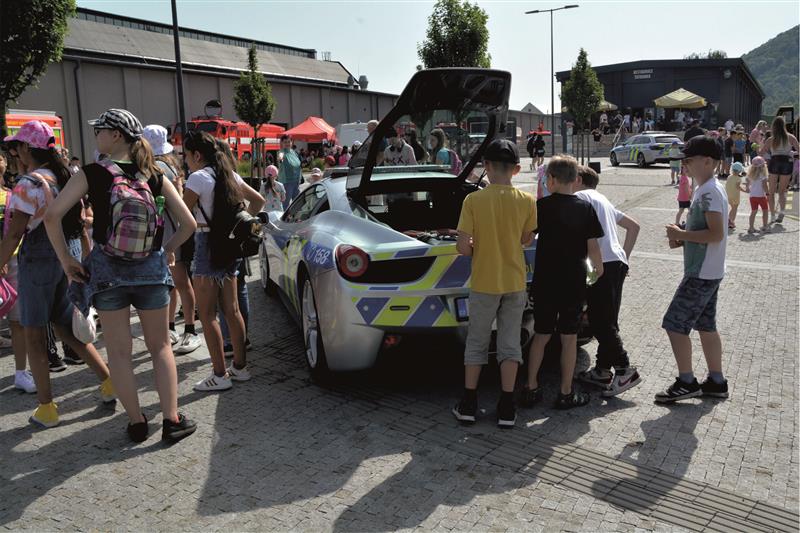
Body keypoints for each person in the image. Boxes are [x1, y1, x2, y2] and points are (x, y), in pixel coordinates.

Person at [44, 110, 197, 442]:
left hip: (108, 273)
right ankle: (171, 420)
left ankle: (136, 422)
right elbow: (189, 225)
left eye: (99, 129)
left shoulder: (92, 173)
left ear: (115, 134)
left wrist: (67, 261)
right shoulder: (155, 175)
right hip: (152, 272)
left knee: (119, 352)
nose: (95, 134)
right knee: (160, 348)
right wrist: (167, 249)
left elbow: (52, 216)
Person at [0, 120, 115, 429]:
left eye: (15, 148)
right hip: (68, 255)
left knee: (35, 333)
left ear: (26, 148)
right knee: (67, 327)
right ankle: (108, 382)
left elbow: (13, 235)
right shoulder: (65, 176)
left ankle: (47, 408)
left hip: (39, 259)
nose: (13, 154)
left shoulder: (28, 183)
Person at [452, 139, 536, 428]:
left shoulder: (473, 201)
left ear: (485, 167)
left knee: (476, 343)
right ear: (516, 169)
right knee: (510, 345)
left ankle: (468, 404)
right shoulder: (527, 201)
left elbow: (463, 248)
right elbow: (528, 240)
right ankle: (507, 407)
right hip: (514, 282)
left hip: (484, 282)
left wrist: (476, 246)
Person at [182, 131, 264, 392]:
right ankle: (240, 369)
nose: (186, 162)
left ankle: (219, 375)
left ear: (196, 154)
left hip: (206, 244)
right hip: (230, 245)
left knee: (207, 315)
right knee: (233, 310)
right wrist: (237, 225)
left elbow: (185, 219)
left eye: (186, 156)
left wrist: (169, 246)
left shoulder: (197, 178)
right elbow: (258, 201)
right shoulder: (230, 174)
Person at [521, 155, 604, 410]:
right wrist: (594, 275)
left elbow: (525, 239)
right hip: (573, 284)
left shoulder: (541, 206)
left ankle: (531, 387)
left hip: (545, 282)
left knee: (542, 335)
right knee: (569, 339)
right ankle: (566, 392)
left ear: (552, 180)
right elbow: (595, 255)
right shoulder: (586, 208)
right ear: (575, 180)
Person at [660, 136, 729, 402]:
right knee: (706, 325)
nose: (685, 165)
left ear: (708, 161)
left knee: (675, 325)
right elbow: (709, 234)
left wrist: (682, 234)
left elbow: (715, 234)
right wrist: (682, 239)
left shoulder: (709, 191)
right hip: (709, 270)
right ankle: (716, 380)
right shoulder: (709, 188)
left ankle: (687, 381)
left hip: (700, 273)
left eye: (689, 160)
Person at [574, 166, 641, 397]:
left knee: (599, 319)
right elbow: (634, 226)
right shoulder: (602, 199)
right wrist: (625, 256)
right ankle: (602, 370)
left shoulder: (579, 197)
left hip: (596, 264)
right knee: (607, 316)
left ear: (578, 180)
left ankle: (624, 368)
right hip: (617, 262)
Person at [142, 124, 201, 355]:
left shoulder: (157, 168)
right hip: (173, 230)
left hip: (171, 232)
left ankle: (190, 330)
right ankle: (175, 328)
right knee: (175, 283)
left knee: (179, 282)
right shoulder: (169, 165)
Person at [0, 152, 35, 393]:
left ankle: (21, 372)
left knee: (17, 321)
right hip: (6, 260)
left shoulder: (12, 193)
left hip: (14, 262)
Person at [761, 116, 799, 224]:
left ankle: (772, 215)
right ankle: (781, 212)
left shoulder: (771, 139)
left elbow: (761, 152)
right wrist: (792, 154)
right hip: (787, 162)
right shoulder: (790, 137)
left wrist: (757, 147)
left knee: (772, 192)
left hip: (774, 162)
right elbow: (799, 150)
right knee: (782, 191)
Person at [745, 156, 770, 234]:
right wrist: (767, 193)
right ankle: (765, 226)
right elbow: (764, 185)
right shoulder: (763, 175)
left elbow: (747, 183)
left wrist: (747, 188)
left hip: (752, 196)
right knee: (765, 211)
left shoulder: (750, 175)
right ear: (763, 166)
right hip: (761, 196)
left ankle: (751, 227)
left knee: (753, 212)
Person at [277, 134, 302, 209]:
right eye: (285, 142)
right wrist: (280, 160)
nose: (287, 143)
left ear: (291, 142)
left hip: (296, 181)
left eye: (289, 141)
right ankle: (283, 218)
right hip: (286, 182)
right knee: (285, 204)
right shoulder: (281, 152)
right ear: (281, 143)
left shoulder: (294, 152)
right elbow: (280, 160)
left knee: (297, 203)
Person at [726, 162, 746, 230]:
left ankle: (729, 220)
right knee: (735, 209)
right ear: (739, 171)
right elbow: (738, 187)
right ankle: (731, 221)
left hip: (729, 195)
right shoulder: (738, 178)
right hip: (735, 195)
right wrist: (744, 190)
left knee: (732, 208)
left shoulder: (729, 176)